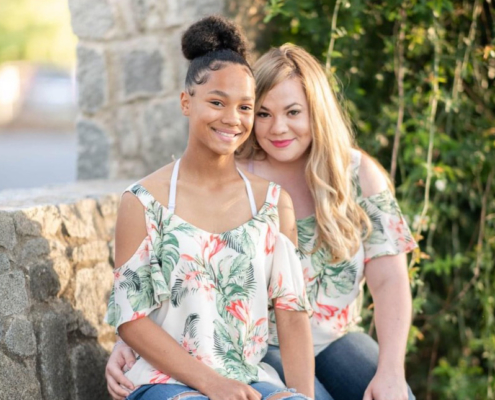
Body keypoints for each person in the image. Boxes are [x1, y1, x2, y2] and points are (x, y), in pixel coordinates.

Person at [107, 42, 418, 400]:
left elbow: (390, 280)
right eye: (264, 114)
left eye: (293, 112)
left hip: (337, 338)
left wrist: (392, 370)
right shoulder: (236, 176)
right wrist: (128, 341)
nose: (278, 128)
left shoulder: (356, 174)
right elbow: (176, 264)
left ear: (316, 111)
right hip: (260, 348)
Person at [105, 17, 314, 400]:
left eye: (246, 107)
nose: (232, 119)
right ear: (187, 102)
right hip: (162, 383)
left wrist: (300, 395)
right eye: (217, 102)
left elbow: (292, 315)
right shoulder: (142, 202)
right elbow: (130, 319)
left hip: (250, 381)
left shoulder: (272, 204)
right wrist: (213, 385)